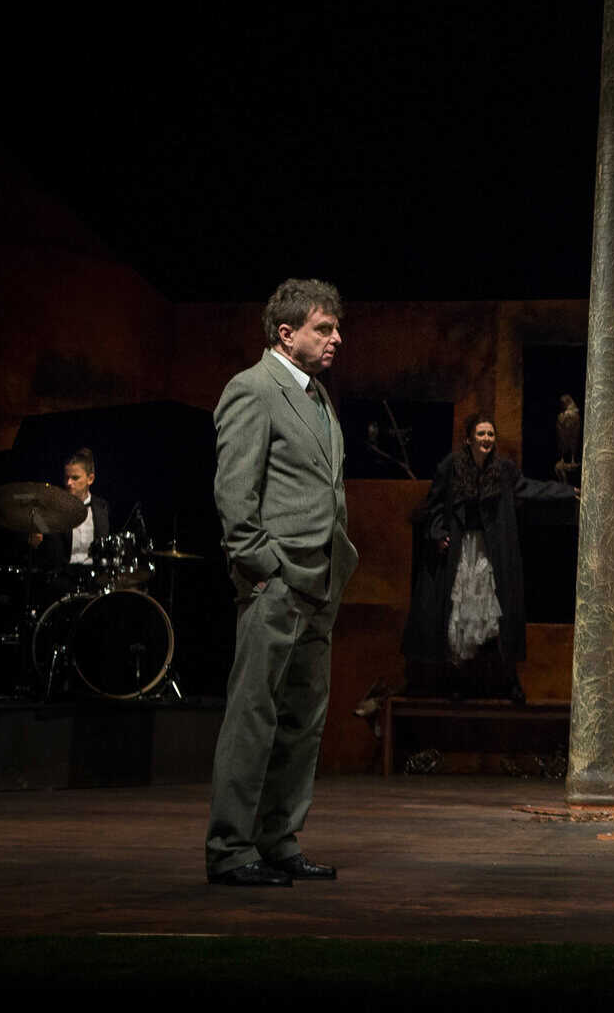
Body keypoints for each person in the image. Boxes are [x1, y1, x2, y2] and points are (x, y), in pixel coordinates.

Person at [204, 279, 358, 887]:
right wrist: (263, 568)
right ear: (286, 333)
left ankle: (278, 839)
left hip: (320, 581)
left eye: (336, 328)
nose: (336, 338)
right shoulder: (253, 389)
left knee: (302, 721)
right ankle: (230, 847)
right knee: (253, 718)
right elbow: (235, 495)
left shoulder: (317, 395)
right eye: (324, 328)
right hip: (277, 581)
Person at [403, 412, 575, 701]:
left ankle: (504, 680)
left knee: (492, 615)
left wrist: (567, 491)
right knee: (461, 613)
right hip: (461, 549)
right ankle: (457, 680)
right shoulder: (452, 466)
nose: (486, 439)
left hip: (491, 549)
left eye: (490, 434)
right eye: (481, 434)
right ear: (469, 439)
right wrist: (437, 533)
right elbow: (434, 505)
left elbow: (529, 488)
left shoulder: (503, 469)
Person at [28, 448, 108, 569]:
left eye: (75, 478)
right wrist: (36, 541)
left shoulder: (101, 507)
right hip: (64, 574)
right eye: (66, 477)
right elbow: (48, 549)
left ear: (90, 479)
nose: (68, 483)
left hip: (95, 573)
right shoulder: (54, 507)